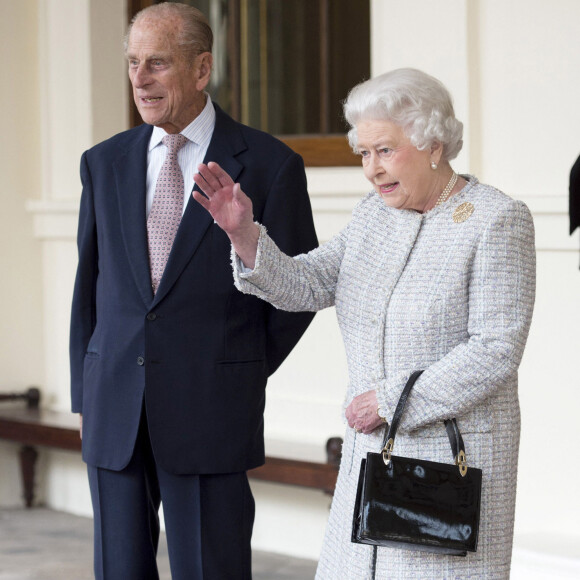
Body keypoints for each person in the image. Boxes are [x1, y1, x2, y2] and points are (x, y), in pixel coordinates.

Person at [193, 68, 536, 579]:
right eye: (363, 154)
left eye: (385, 150)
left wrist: (388, 400)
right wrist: (244, 235)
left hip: (449, 460)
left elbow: (495, 349)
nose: (372, 170)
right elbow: (307, 285)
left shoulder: (494, 220)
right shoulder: (374, 216)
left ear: (432, 143)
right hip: (370, 455)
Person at [69, 3, 317, 579]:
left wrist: (235, 366)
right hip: (115, 412)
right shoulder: (103, 163)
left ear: (202, 69)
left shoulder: (272, 166)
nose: (139, 78)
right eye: (133, 63)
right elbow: (90, 286)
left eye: (157, 63)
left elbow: (297, 291)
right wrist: (88, 390)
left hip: (211, 408)